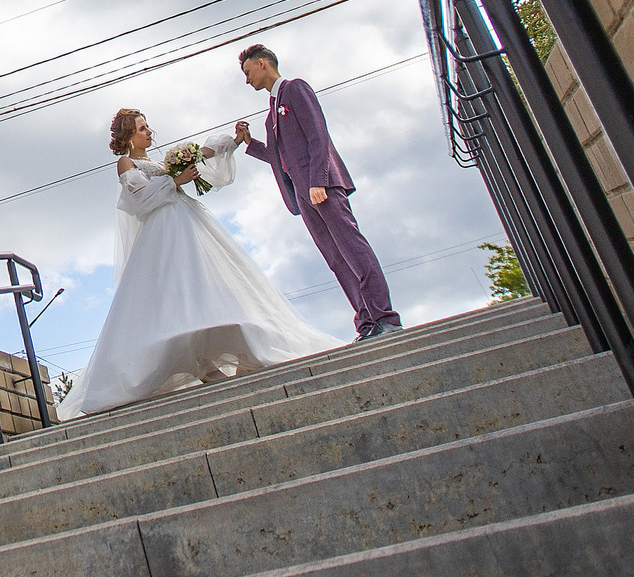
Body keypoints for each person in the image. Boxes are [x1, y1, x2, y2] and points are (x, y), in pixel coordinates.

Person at [62, 107, 339, 416]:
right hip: (163, 230)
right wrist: (176, 180)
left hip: (186, 221)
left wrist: (232, 142)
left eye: (147, 126)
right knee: (179, 296)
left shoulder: (159, 162)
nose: (148, 131)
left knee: (211, 286)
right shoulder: (126, 163)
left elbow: (201, 154)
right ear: (128, 136)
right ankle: (202, 364)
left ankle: (242, 354)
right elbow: (139, 198)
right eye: (142, 128)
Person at [234, 41, 402, 340]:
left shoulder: (295, 89)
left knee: (354, 249)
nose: (247, 80)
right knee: (336, 261)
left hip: (321, 186)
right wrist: (249, 143)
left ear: (262, 64)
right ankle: (366, 323)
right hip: (302, 195)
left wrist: (318, 181)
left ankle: (385, 317)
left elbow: (317, 134)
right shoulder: (271, 114)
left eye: (248, 72)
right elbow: (278, 156)